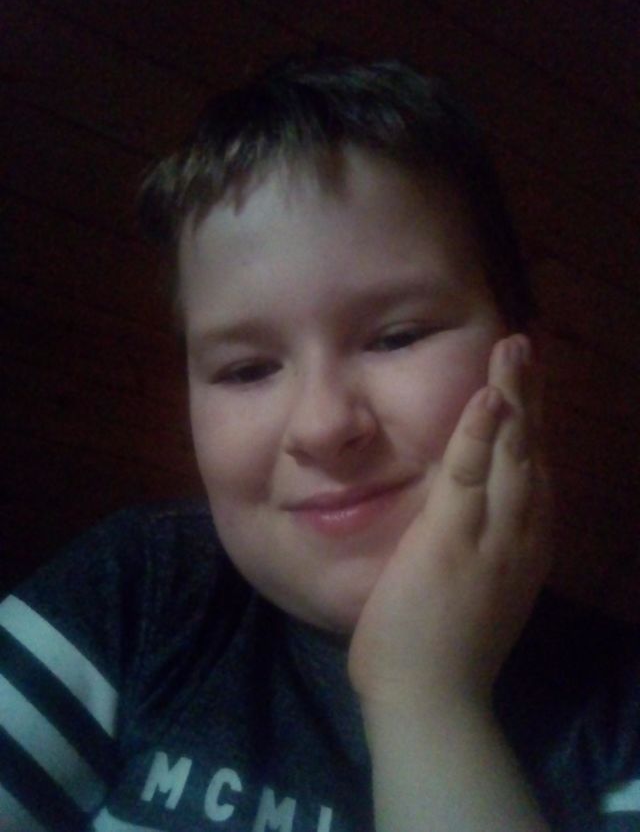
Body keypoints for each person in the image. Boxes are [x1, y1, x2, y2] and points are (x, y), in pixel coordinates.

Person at [0, 55, 638, 832]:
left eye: (396, 336)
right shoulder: (136, 594)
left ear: (523, 362)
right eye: (247, 369)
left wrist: (428, 697)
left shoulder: (619, 723)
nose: (322, 426)